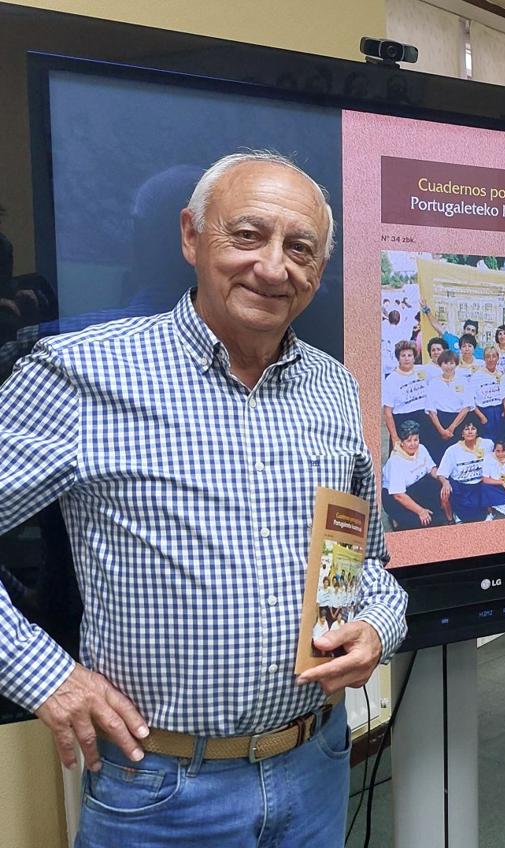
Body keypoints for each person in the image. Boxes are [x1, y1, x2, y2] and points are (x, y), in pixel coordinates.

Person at [0, 151, 408, 845]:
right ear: (191, 236)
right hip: (160, 792)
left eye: (299, 248)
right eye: (247, 236)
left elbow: (365, 560)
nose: (274, 267)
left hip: (316, 764)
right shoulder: (81, 373)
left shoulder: (337, 388)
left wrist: (378, 626)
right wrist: (45, 677)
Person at [381, 418, 447, 530]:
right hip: (397, 498)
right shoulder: (395, 461)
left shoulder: (422, 448)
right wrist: (420, 511)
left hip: (417, 488)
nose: (413, 444)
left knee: (439, 518)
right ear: (401, 442)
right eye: (408, 441)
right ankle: (396, 520)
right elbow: (398, 495)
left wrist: (444, 481)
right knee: (423, 523)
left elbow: (432, 469)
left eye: (415, 440)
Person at [436, 419, 492, 523]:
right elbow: (441, 474)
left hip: (480, 485)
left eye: (473, 429)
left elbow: (499, 456)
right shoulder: (452, 450)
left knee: (480, 515)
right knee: (467, 514)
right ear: (462, 433)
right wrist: (445, 482)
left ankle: (488, 512)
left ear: (477, 432)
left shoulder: (488, 444)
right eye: (466, 429)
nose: (470, 432)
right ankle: (452, 518)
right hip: (462, 488)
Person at [424, 349, 472, 464]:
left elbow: (467, 407)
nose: (448, 366)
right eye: (445, 363)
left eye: (451, 363)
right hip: (438, 422)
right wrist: (441, 430)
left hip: (458, 422)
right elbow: (431, 409)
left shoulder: (463, 381)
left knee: (458, 456)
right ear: (440, 364)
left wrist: (452, 428)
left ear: (456, 364)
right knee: (439, 456)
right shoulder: (433, 382)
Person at [382, 339, 429, 452]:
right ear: (398, 358)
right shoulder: (391, 379)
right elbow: (388, 412)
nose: (407, 358)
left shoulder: (423, 371)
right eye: (403, 355)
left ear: (414, 357)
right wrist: (394, 437)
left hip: (423, 419)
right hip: (402, 422)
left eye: (410, 355)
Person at [471, 345, 505, 444]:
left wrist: (504, 411)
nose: (491, 359)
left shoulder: (501, 374)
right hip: (485, 413)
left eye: (493, 356)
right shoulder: (477, 376)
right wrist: (481, 416)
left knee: (501, 442)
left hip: (500, 412)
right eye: (488, 356)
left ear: (497, 358)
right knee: (487, 443)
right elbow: (471, 400)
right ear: (484, 358)